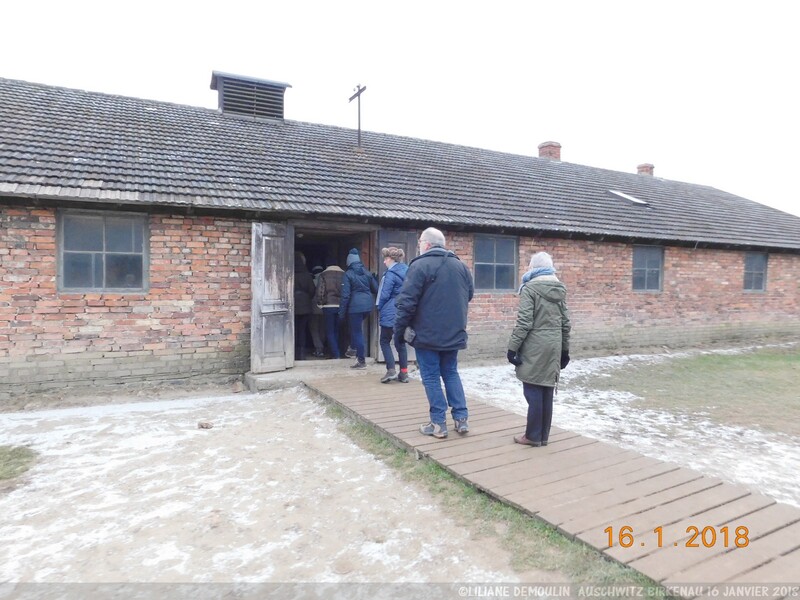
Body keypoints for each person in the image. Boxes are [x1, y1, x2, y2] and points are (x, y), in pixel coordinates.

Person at [394, 227, 474, 439]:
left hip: (427, 334)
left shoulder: (419, 266)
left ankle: (438, 424)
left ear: (426, 244)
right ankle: (461, 418)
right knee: (450, 372)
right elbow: (469, 294)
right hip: (454, 332)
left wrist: (399, 331)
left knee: (430, 376)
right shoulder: (461, 266)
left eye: (420, 241)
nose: (419, 245)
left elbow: (406, 303)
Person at [506, 251, 571, 447]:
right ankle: (542, 435)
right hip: (554, 344)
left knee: (532, 388)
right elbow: (566, 323)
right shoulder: (559, 288)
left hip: (535, 345)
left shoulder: (530, 288)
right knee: (546, 390)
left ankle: (532, 436)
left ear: (533, 267)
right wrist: (564, 350)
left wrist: (512, 348)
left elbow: (525, 321)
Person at [338, 248, 378, 369]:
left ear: (348, 262)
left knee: (357, 332)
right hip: (367, 306)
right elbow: (376, 289)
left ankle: (361, 360)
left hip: (355, 307)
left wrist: (341, 313)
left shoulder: (348, 274)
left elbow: (345, 295)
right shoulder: (367, 273)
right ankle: (353, 348)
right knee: (356, 329)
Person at [376, 247, 409, 383]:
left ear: (391, 259)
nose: (384, 262)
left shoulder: (390, 274)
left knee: (384, 340)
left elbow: (384, 294)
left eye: (386, 259)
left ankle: (391, 370)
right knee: (400, 342)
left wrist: (380, 307)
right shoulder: (408, 272)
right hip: (404, 310)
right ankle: (404, 373)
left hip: (390, 309)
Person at [316, 261, 345, 359]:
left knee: (329, 331)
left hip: (328, 306)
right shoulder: (344, 274)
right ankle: (335, 353)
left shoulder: (324, 274)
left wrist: (320, 303)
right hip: (340, 305)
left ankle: (336, 354)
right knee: (336, 330)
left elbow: (321, 290)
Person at [293, 251, 316, 361]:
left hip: (292, 306)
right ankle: (301, 354)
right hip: (305, 307)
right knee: (302, 330)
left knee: (293, 330)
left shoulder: (289, 273)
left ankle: (292, 354)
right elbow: (312, 291)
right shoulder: (307, 275)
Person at [309, 265, 327, 358]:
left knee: (314, 329)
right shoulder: (326, 279)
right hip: (325, 308)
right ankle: (322, 348)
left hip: (314, 308)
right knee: (322, 329)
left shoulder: (312, 280)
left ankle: (318, 349)